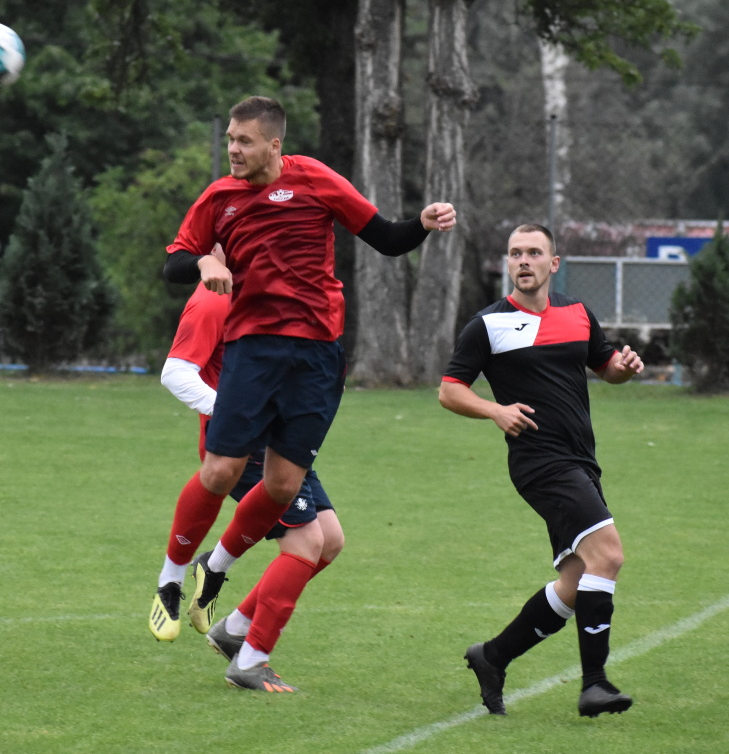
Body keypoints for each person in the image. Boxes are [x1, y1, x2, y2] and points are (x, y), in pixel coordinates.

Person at [162, 96, 456, 686]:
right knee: (221, 470)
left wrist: (420, 226)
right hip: (254, 348)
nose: (233, 150)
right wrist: (200, 266)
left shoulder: (316, 179)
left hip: (319, 358)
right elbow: (173, 262)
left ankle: (220, 585)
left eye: (244, 141)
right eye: (229, 139)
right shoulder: (219, 198)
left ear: (275, 145)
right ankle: (174, 577)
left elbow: (388, 239)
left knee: (285, 485)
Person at [439, 223, 644, 719]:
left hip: (580, 460)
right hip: (539, 461)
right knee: (608, 554)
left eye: (534, 252)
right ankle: (594, 684)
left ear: (554, 263)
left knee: (577, 581)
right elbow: (449, 390)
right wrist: (495, 410)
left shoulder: (577, 313)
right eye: (515, 253)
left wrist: (625, 367)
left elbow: (605, 365)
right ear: (507, 265)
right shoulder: (487, 325)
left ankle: (492, 657)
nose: (523, 261)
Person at [149, 245, 345, 692]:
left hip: (282, 439)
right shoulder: (214, 297)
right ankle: (250, 660)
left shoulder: (274, 295)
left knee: (329, 542)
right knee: (306, 542)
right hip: (243, 447)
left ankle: (232, 627)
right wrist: (239, 413)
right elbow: (175, 373)